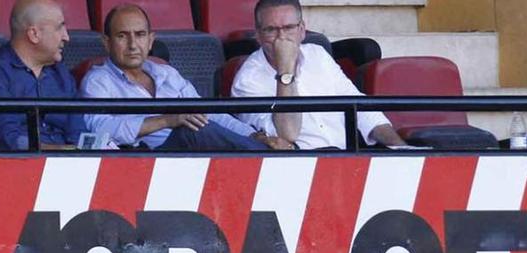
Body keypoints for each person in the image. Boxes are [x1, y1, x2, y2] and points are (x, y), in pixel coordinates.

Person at [80, 4, 275, 151]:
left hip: (190, 159)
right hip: (144, 161)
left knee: (200, 126)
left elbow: (209, 114)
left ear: (150, 40)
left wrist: (254, 135)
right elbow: (100, 129)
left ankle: (266, 154)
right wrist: (168, 121)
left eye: (140, 35)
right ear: (107, 42)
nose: (132, 44)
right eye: (122, 36)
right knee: (192, 130)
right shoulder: (98, 80)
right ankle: (268, 161)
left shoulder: (167, 74)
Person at [231, 0, 406, 150]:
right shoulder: (247, 79)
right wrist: (285, 70)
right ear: (258, 36)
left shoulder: (318, 54)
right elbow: (287, 134)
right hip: (296, 167)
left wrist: (401, 148)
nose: (281, 37)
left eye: (289, 27)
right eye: (271, 30)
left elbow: (358, 105)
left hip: (346, 159)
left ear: (302, 30)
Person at [0, 0, 86, 150]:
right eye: (59, 28)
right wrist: (53, 150)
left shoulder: (61, 73)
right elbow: (6, 137)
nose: (66, 37)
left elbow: (78, 132)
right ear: (34, 34)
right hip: (18, 167)